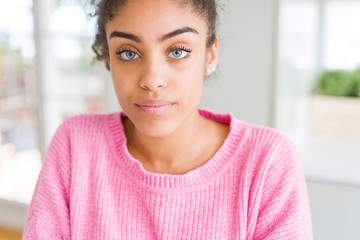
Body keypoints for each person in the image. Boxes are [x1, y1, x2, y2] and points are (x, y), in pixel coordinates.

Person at [23, 0, 313, 239]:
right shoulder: (76, 146)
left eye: (177, 51)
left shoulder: (267, 162)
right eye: (128, 53)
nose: (151, 80)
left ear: (210, 55)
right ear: (108, 58)